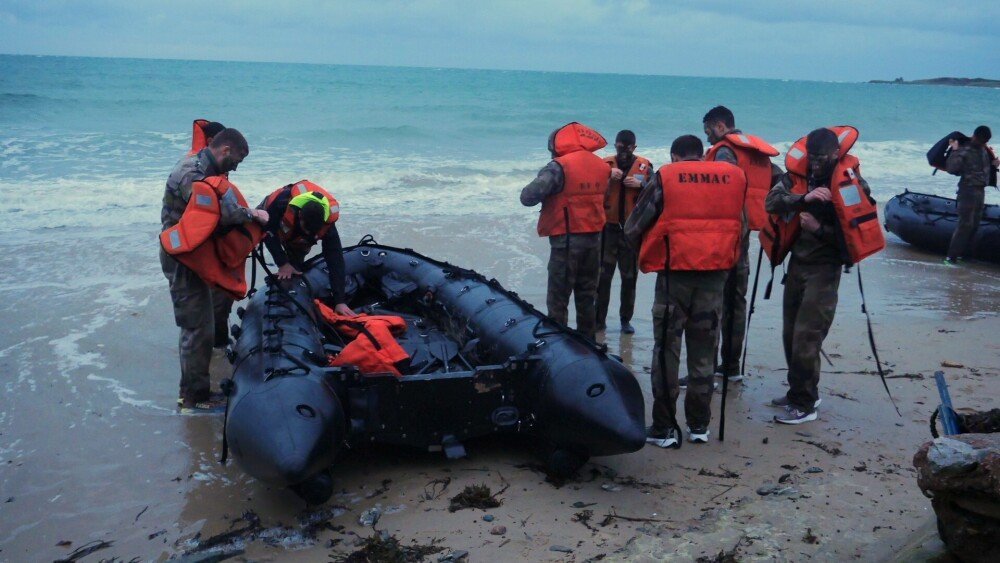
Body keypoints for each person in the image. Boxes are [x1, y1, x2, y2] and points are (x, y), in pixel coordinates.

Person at [625, 135, 747, 447]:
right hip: (714, 277)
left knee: (666, 350)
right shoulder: (731, 178)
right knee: (704, 351)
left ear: (675, 155)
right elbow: (742, 227)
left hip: (673, 276)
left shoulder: (667, 176)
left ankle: (664, 428)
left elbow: (634, 225)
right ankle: (699, 426)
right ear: (701, 155)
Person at [762, 126, 877, 424]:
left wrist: (819, 228)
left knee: (807, 337)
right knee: (790, 335)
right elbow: (770, 203)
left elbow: (853, 235)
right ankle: (796, 390)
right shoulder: (797, 177)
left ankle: (805, 404)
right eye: (811, 157)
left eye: (821, 158)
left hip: (825, 269)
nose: (814, 163)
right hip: (797, 266)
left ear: (836, 154)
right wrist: (803, 198)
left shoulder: (851, 184)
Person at [160, 128, 269, 411]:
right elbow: (223, 212)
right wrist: (254, 215)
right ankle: (194, 397)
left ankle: (199, 382)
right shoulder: (192, 174)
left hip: (199, 253)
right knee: (197, 327)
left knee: (211, 317)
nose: (236, 166)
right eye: (237, 160)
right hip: (183, 258)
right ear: (226, 150)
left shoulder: (211, 171)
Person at [702, 105, 781, 385]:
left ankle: (707, 369)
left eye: (709, 130)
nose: (708, 137)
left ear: (720, 126)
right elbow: (781, 180)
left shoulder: (725, 151)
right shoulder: (757, 152)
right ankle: (732, 366)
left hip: (723, 237)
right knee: (736, 302)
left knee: (712, 301)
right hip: (745, 237)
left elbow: (722, 186)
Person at [521, 122, 611, 341]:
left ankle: (559, 345)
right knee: (586, 296)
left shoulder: (558, 166)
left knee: (558, 299)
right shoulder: (602, 166)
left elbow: (528, 197)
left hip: (566, 241)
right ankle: (588, 344)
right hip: (594, 240)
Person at [258, 181, 355, 316]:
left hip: (296, 239)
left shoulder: (327, 225)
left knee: (296, 265)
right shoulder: (282, 203)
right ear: (299, 216)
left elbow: (335, 260)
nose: (308, 234)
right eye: (307, 229)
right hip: (268, 216)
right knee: (261, 236)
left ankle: (292, 298)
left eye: (313, 232)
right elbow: (267, 232)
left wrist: (340, 301)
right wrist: (282, 263)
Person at [597, 130, 652, 335]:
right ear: (615, 146)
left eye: (628, 148)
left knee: (629, 278)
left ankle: (625, 320)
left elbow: (658, 190)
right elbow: (593, 188)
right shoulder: (604, 165)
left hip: (630, 232)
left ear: (634, 148)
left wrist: (642, 184)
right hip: (608, 230)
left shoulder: (645, 166)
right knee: (603, 277)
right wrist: (607, 177)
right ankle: (599, 320)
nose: (623, 152)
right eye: (620, 147)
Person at [945, 125, 998, 265]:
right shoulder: (964, 150)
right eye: (982, 140)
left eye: (985, 141)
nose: (983, 143)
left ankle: (964, 255)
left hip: (980, 191)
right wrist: (955, 150)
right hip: (967, 190)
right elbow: (951, 168)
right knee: (965, 224)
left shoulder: (983, 150)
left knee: (974, 224)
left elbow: (981, 169)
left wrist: (994, 165)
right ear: (975, 136)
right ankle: (951, 257)